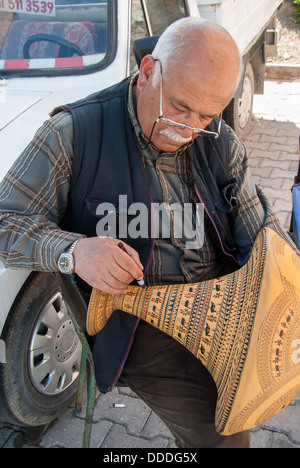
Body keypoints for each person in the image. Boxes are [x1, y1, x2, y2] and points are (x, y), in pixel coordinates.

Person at [0, 18, 292, 448]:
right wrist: (75, 251)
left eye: (206, 115)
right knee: (224, 436)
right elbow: (6, 222)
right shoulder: (74, 133)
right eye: (178, 107)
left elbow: (260, 237)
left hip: (220, 304)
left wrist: (281, 289)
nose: (188, 129)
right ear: (149, 71)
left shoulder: (218, 139)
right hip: (136, 320)